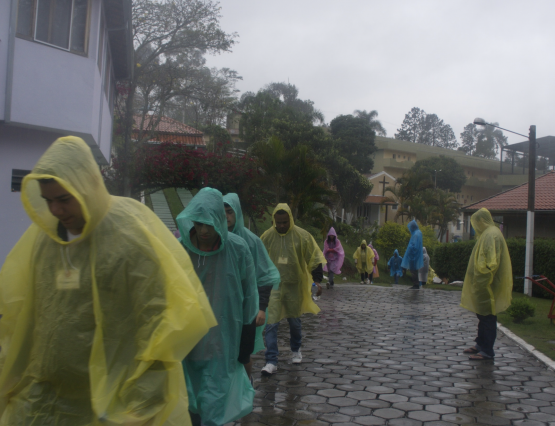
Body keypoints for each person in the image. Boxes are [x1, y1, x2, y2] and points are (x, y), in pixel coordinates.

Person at [0, 136, 216, 426]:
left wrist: (142, 401)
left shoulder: (127, 233)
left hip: (111, 401)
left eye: (64, 200)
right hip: (43, 397)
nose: (56, 211)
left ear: (88, 186)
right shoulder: (44, 239)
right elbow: (23, 314)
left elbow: (159, 317)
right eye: (48, 201)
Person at [176, 188, 259, 426]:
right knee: (188, 399)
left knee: (214, 402)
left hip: (223, 342)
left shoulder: (238, 249)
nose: (203, 230)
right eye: (198, 223)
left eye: (209, 224)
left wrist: (245, 346)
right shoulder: (179, 250)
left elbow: (249, 297)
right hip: (187, 341)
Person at [260, 204, 326, 376]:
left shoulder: (302, 236)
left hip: (294, 286)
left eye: (285, 222)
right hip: (274, 287)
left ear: (290, 219)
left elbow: (314, 257)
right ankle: (271, 360)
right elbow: (258, 258)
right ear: (274, 220)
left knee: (294, 322)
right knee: (271, 323)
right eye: (278, 222)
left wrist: (317, 280)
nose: (282, 225)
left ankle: (296, 349)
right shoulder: (267, 236)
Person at [223, 193, 280, 379]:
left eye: (229, 212)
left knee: (243, 353)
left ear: (237, 213)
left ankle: (247, 387)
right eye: (222, 212)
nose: (226, 216)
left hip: (246, 307)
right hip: (222, 306)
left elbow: (264, 276)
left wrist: (261, 308)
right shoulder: (213, 238)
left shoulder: (251, 241)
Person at [460, 208, 513, 360]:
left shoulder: (491, 235)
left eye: (477, 222)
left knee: (488, 316)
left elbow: (491, 262)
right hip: (482, 283)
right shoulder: (488, 233)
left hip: (487, 284)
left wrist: (483, 279)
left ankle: (487, 351)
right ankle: (480, 344)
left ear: (482, 220)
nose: (476, 225)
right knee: (482, 315)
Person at [402, 220, 424, 289]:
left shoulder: (415, 234)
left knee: (413, 270)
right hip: (416, 254)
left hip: (413, 255)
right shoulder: (419, 232)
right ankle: (416, 284)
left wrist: (409, 251)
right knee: (414, 270)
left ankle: (416, 284)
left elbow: (413, 246)